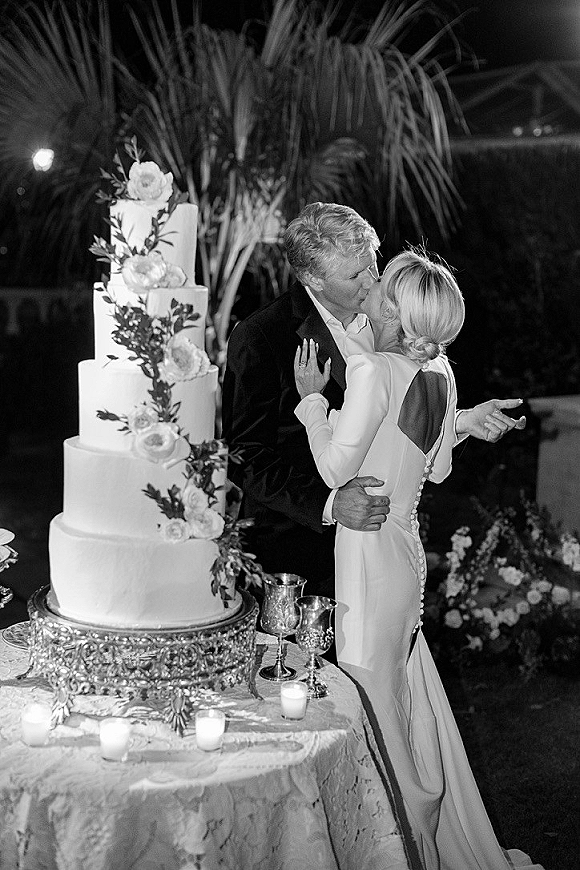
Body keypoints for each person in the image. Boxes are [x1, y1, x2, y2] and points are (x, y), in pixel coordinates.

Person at [293, 247, 543, 870]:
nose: (372, 291)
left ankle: (400, 837)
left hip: (368, 550)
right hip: (404, 548)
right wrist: (460, 421)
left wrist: (313, 404)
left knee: (369, 698)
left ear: (396, 312)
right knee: (393, 689)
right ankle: (414, 826)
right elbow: (434, 465)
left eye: (381, 290)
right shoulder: (443, 375)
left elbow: (334, 469)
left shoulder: (376, 370)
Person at [221, 202, 525, 601]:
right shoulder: (261, 336)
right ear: (313, 277)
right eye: (354, 274)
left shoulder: (393, 317)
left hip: (380, 556)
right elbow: (245, 457)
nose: (372, 280)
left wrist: (459, 422)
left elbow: (390, 427)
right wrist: (329, 505)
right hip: (294, 555)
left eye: (371, 264)